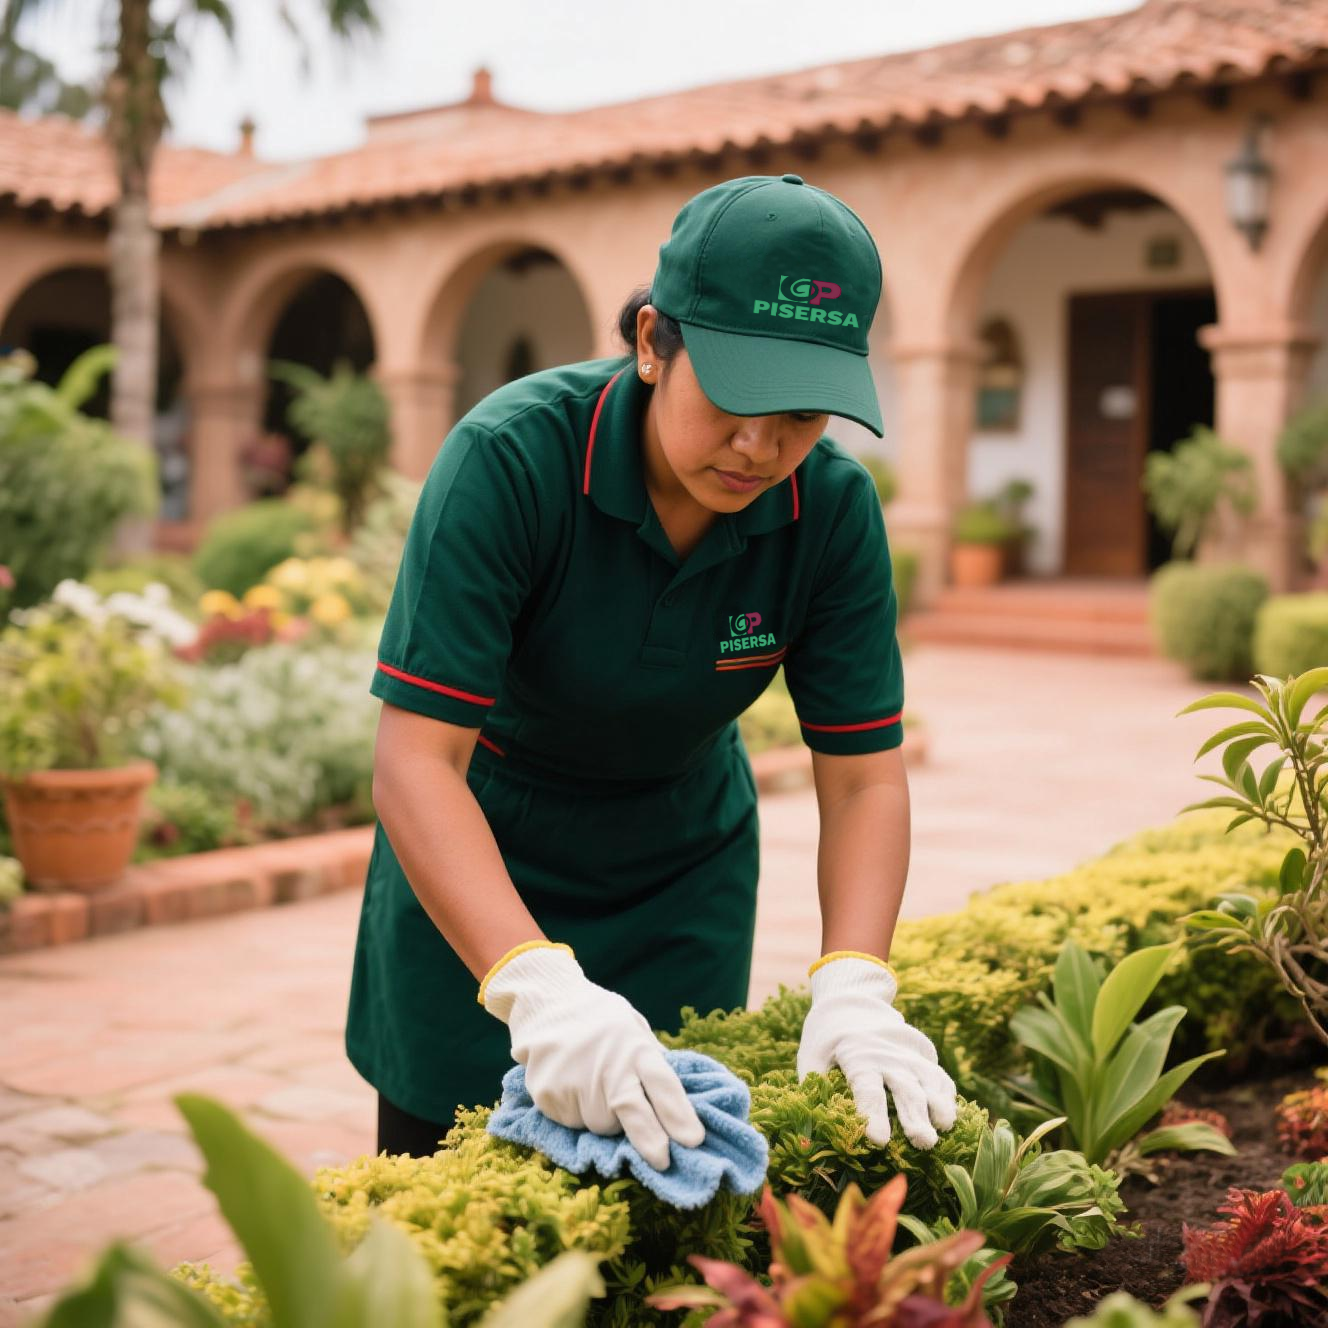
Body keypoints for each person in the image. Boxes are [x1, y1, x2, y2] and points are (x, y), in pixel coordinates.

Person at [346, 173, 958, 1166]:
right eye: (732, 399)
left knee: (668, 1172)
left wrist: (855, 978)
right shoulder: (508, 461)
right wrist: (532, 986)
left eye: (801, 414)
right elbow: (414, 762)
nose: (758, 446)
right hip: (486, 852)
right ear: (647, 342)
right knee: (446, 1184)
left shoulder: (832, 511)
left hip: (679, 870)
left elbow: (860, 775)